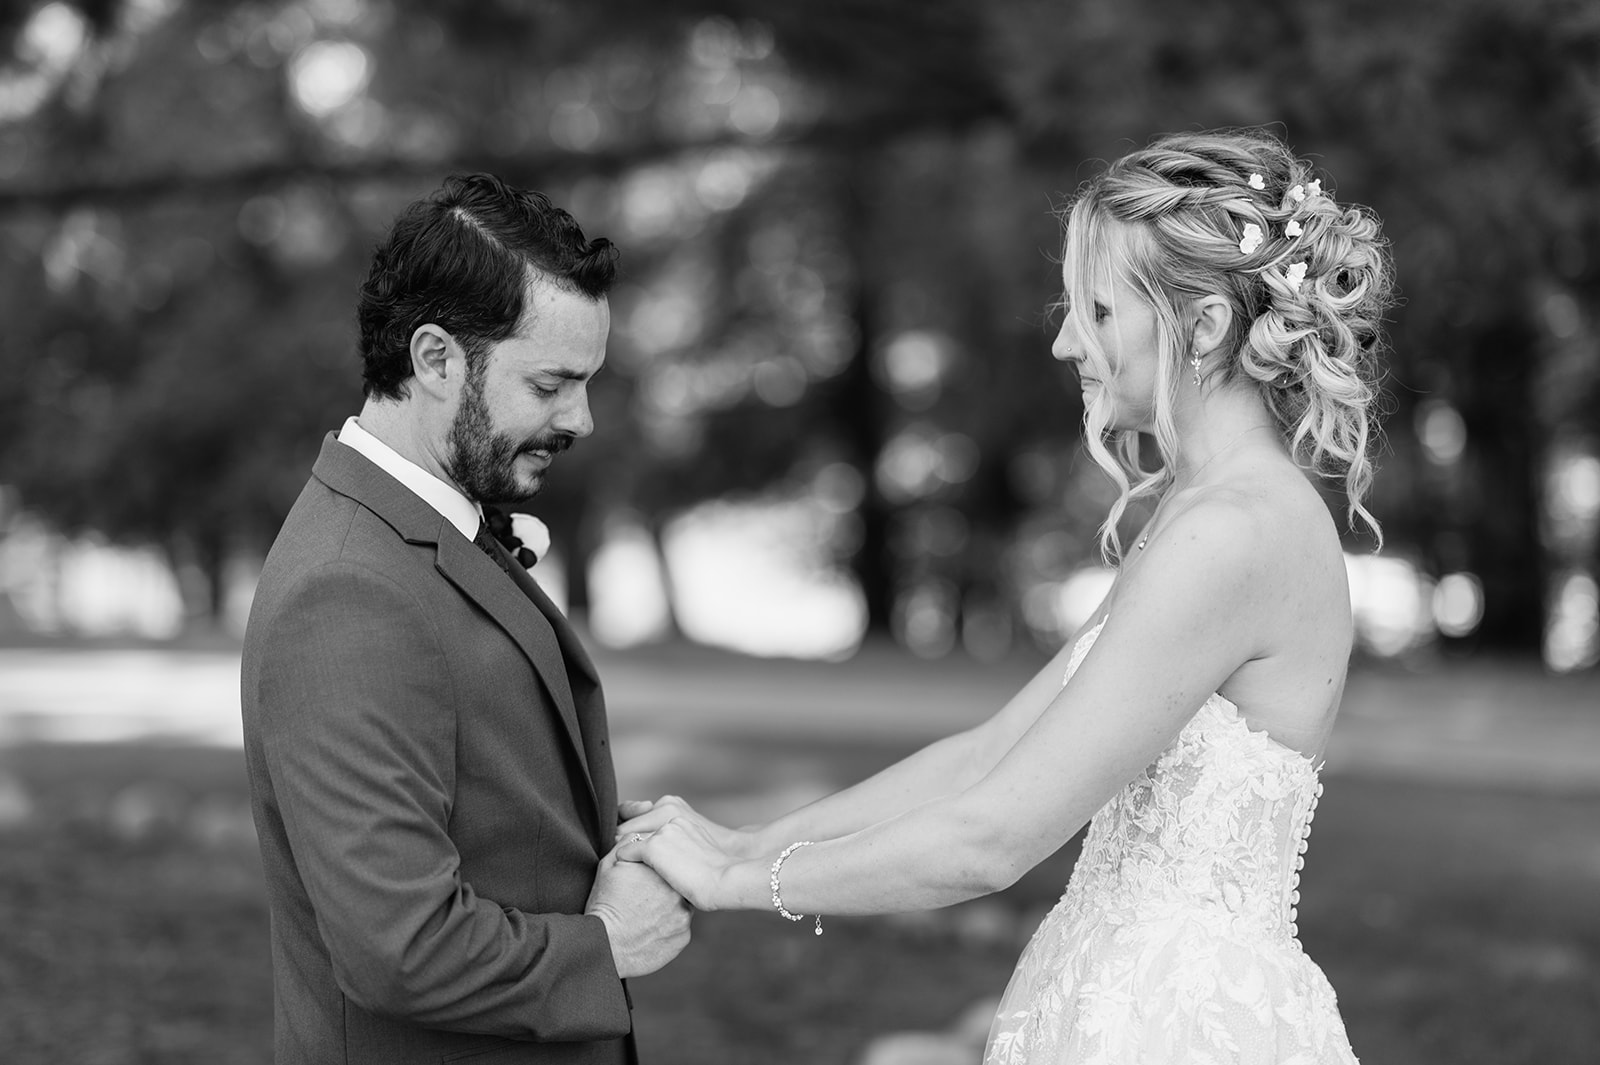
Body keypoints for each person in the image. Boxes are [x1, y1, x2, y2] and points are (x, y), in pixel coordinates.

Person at [615, 129, 1393, 1064]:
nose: (1068, 339)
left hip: (1177, 1024)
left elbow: (992, 837)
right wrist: (742, 843)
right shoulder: (1207, 512)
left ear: (1206, 326)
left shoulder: (1235, 533)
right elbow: (989, 756)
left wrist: (739, 884)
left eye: (1098, 309)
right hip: (1121, 996)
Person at [241, 173, 691, 1065]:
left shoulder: (429, 523)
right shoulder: (346, 593)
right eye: (554, 383)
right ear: (437, 358)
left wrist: (592, 824)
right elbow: (399, 947)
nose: (583, 418)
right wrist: (608, 946)